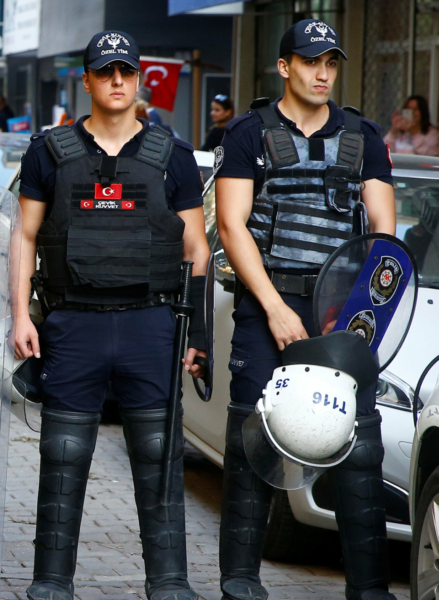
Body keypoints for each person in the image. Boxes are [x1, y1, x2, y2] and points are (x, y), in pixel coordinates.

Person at [11, 30, 210, 600]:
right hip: (73, 323)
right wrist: (20, 314)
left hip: (151, 324)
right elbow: (24, 236)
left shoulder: (172, 156)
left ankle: (169, 582)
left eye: (126, 70)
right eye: (105, 71)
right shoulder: (48, 151)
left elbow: (196, 248)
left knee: (158, 454)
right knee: (64, 454)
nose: (117, 80)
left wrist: (197, 333)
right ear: (87, 81)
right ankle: (51, 582)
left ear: (138, 78)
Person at [214, 19, 397, 600]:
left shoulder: (364, 137)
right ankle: (240, 584)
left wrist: (356, 312)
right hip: (269, 304)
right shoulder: (249, 133)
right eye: (311, 61)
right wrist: (272, 306)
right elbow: (232, 226)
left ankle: (369, 590)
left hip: (340, 314)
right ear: (284, 66)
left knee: (359, 447)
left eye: (331, 63)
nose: (323, 73)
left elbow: (384, 235)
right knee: (253, 440)